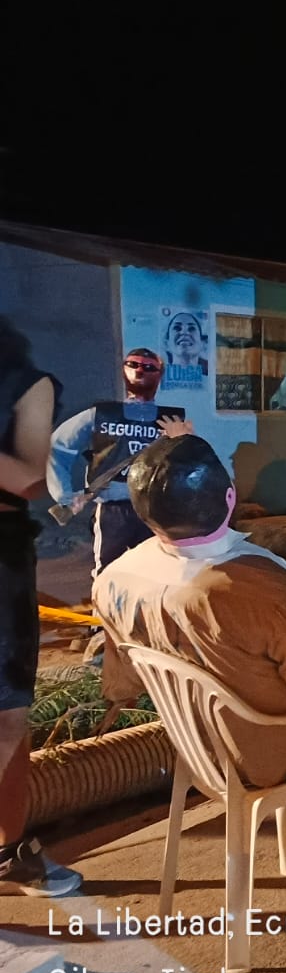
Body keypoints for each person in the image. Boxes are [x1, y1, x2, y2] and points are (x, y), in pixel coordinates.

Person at [94, 436, 286, 789]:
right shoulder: (259, 591)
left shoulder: (114, 579)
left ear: (143, 512)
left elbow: (122, 683)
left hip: (192, 744)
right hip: (268, 753)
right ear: (229, 497)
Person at [0, 317, 83, 896]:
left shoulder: (27, 383)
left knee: (6, 712)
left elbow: (32, 475)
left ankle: (9, 851)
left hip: (1, 557)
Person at [47, 347, 191, 579]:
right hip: (113, 510)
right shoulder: (102, 416)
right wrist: (64, 495)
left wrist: (185, 441)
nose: (140, 371)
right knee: (108, 572)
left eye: (149, 367)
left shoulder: (170, 421)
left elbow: (188, 464)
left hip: (153, 508)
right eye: (133, 364)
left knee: (157, 571)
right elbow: (60, 447)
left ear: (159, 374)